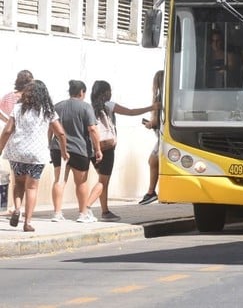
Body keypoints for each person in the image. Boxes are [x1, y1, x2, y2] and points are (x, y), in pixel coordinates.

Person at [0, 80, 68, 232]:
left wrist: (0, 147)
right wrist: (64, 151)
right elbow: (61, 133)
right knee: (31, 188)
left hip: (17, 152)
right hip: (37, 155)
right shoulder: (48, 111)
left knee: (18, 183)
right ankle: (27, 223)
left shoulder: (17, 109)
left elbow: (7, 130)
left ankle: (17, 209)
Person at [88, 80, 158, 221]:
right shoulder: (108, 105)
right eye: (109, 91)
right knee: (103, 181)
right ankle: (86, 208)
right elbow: (131, 112)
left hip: (93, 148)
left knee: (103, 180)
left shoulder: (89, 107)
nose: (111, 93)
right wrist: (152, 108)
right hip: (107, 148)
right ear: (105, 92)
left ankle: (105, 211)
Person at [51, 80, 102, 223]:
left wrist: (50, 142)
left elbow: (51, 127)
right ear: (82, 92)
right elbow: (92, 129)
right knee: (81, 183)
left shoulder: (58, 106)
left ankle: (57, 213)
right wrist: (98, 149)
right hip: (79, 149)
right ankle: (83, 214)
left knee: (59, 180)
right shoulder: (86, 107)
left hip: (59, 148)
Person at [0, 70, 33, 214]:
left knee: (16, 174)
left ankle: (14, 206)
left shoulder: (8, 97)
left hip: (12, 138)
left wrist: (8, 121)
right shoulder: (31, 98)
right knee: (29, 178)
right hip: (29, 139)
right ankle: (21, 206)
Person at [139, 70, 163, 205]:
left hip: (162, 136)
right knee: (153, 161)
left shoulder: (159, 97)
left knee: (153, 161)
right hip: (162, 135)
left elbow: (156, 121)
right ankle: (151, 191)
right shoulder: (169, 94)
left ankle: (151, 192)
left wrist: (149, 124)